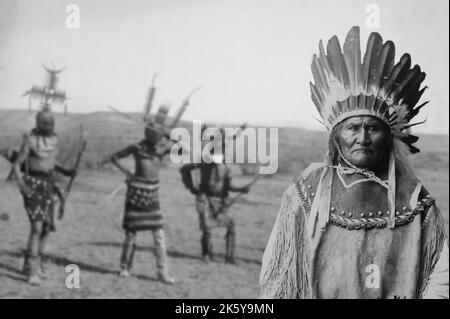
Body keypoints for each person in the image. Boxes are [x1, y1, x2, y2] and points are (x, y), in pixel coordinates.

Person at [259, 26, 449, 299]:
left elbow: (441, 276)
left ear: (389, 136)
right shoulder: (306, 195)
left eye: (373, 128)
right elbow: (278, 276)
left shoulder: (415, 201)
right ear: (337, 136)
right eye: (353, 128)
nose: (362, 138)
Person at [111, 105, 175, 284]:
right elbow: (114, 157)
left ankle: (162, 273)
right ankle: (124, 267)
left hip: (152, 195)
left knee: (159, 236)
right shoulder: (136, 148)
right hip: (136, 193)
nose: (158, 140)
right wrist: (128, 173)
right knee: (131, 234)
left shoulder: (160, 150)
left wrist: (167, 133)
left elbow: (180, 146)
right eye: (157, 136)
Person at [13, 106, 75, 285]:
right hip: (33, 187)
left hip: (49, 187)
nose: (48, 126)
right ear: (38, 123)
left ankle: (33, 263)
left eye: (51, 123)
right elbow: (17, 165)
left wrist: (68, 172)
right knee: (37, 229)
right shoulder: (30, 141)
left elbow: (52, 164)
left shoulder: (54, 140)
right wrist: (22, 185)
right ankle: (32, 272)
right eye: (45, 123)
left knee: (46, 229)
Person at [180, 126, 249, 264]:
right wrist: (192, 188)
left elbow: (229, 186)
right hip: (204, 199)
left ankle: (230, 256)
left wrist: (241, 189)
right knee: (206, 228)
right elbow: (184, 169)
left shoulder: (226, 167)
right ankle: (206, 254)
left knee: (231, 225)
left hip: (220, 201)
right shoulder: (204, 163)